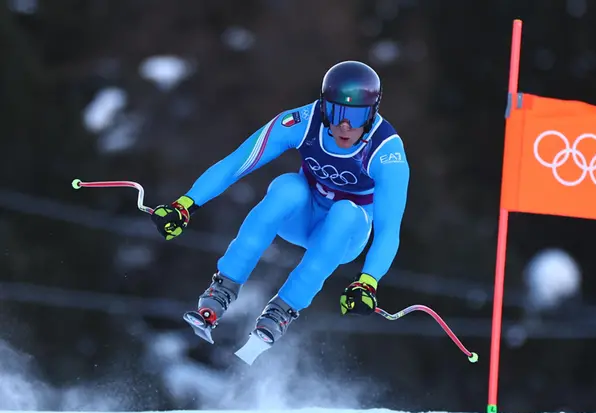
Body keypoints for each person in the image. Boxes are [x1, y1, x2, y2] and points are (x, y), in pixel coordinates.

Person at [149, 60, 410, 346]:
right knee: (287, 187)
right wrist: (186, 205)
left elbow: (388, 229)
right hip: (301, 218)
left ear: (372, 114)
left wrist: (367, 282)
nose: (345, 126)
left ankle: (282, 309)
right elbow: (239, 162)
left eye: (356, 117)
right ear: (324, 106)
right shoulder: (303, 121)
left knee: (345, 213)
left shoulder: (386, 151)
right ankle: (222, 289)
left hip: (345, 236)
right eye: (337, 113)